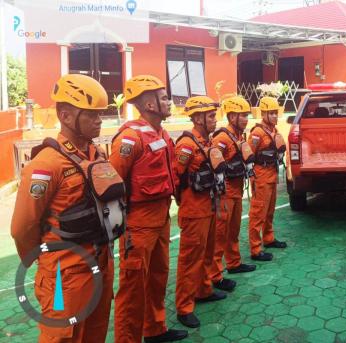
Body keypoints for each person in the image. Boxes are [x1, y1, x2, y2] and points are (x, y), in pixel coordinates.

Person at [11, 74, 121, 342]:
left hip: (101, 263)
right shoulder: (46, 165)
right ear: (67, 116)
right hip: (64, 273)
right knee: (61, 337)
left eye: (101, 114)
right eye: (92, 115)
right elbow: (22, 228)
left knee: (96, 331)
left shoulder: (96, 155)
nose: (99, 120)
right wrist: (45, 261)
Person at [110, 75, 187, 342]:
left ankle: (154, 329)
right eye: (164, 98)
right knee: (132, 288)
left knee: (157, 276)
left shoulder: (163, 134)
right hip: (138, 224)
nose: (169, 102)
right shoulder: (129, 140)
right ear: (149, 104)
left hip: (162, 217)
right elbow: (113, 186)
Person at [174, 96, 227, 328]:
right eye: (211, 116)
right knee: (189, 260)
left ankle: (204, 290)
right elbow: (176, 177)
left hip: (210, 205)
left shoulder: (207, 141)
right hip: (194, 210)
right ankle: (184, 307)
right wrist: (183, 202)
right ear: (197, 118)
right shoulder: (186, 145)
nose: (215, 120)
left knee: (207, 252)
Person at [208, 95, 257, 292]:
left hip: (237, 189)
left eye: (246, 115)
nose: (245, 119)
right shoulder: (221, 138)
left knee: (234, 229)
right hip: (225, 191)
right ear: (231, 117)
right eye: (241, 115)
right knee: (220, 233)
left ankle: (234, 262)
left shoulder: (238, 136)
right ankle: (215, 275)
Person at [247, 96, 287, 262]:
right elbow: (249, 154)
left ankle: (269, 238)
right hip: (261, 174)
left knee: (270, 210)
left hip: (272, 173)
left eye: (275, 113)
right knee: (258, 212)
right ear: (263, 114)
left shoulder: (274, 131)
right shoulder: (257, 133)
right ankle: (255, 249)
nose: (274, 116)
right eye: (271, 113)